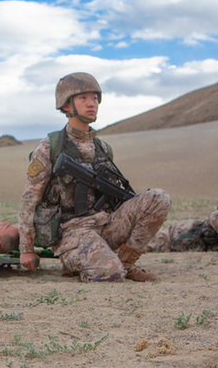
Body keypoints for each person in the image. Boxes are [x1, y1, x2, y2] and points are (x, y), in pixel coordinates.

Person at [17, 72, 171, 282]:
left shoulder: (103, 148)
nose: (92, 104)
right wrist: (26, 249)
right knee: (110, 274)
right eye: (83, 98)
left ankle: (126, 262)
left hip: (105, 224)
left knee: (159, 198)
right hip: (71, 232)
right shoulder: (49, 147)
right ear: (66, 105)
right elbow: (29, 199)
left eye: (95, 98)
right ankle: (88, 261)